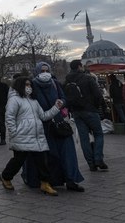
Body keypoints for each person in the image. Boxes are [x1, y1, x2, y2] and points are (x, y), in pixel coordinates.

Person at [24, 62, 85, 192]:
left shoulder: (54, 83)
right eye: (42, 71)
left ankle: (71, 179)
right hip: (43, 124)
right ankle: (49, 181)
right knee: (49, 155)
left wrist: (61, 102)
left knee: (68, 152)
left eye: (47, 70)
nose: (45, 73)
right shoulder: (32, 85)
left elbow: (63, 97)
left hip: (58, 122)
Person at [0, 75, 63, 196]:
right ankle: (6, 176)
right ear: (20, 86)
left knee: (42, 161)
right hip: (22, 136)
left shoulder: (33, 101)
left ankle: (45, 183)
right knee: (18, 161)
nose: (29, 87)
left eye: (30, 85)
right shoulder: (14, 100)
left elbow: (43, 116)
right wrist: (14, 133)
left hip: (37, 136)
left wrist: (56, 108)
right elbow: (10, 117)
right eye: (26, 85)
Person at [64, 59, 108, 172]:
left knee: (84, 139)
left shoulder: (67, 80)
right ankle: (98, 158)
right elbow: (98, 95)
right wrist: (95, 107)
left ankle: (91, 164)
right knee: (98, 134)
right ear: (79, 66)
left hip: (76, 112)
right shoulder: (87, 78)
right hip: (90, 110)